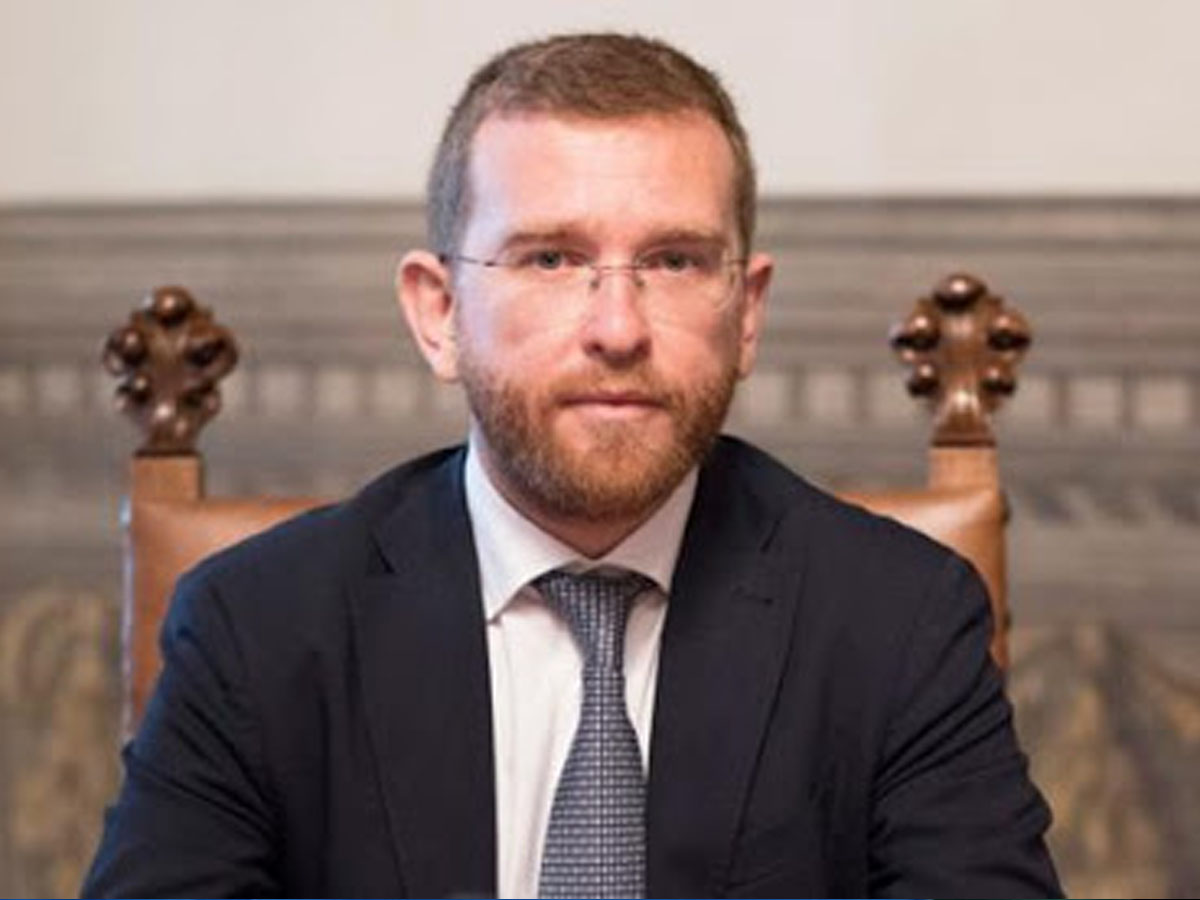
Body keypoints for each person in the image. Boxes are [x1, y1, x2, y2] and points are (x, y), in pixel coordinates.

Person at [82, 32, 1062, 899]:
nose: (618, 328)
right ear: (438, 313)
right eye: (550, 259)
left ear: (747, 313)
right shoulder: (258, 629)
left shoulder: (899, 623)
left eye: (674, 261)